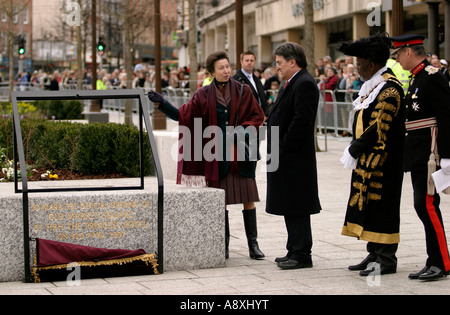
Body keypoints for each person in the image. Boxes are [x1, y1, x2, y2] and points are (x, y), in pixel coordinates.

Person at [148, 51, 266, 260]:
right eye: (221, 68)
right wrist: (163, 104)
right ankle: (224, 245)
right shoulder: (202, 95)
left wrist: (243, 129)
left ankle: (253, 245)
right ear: (211, 72)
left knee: (248, 198)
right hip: (217, 156)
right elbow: (183, 115)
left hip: (241, 153)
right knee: (221, 200)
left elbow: (258, 115)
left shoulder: (243, 90)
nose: (226, 71)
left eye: (228, 66)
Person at [338, 34, 405, 276]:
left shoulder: (389, 89)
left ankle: (386, 258)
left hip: (384, 162)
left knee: (383, 207)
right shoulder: (375, 86)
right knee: (369, 207)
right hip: (369, 159)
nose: (357, 67)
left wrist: (353, 149)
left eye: (359, 63)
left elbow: (378, 127)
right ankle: (374, 252)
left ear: (373, 64)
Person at [389, 34, 450, 280]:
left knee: (427, 206)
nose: (397, 59)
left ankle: (442, 262)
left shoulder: (432, 77)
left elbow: (446, 117)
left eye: (398, 54)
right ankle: (433, 259)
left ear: (408, 51)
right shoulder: (417, 78)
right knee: (422, 206)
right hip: (417, 152)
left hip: (430, 154)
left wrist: (446, 156)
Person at [266, 42, 321, 270]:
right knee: (289, 203)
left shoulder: (305, 83)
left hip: (294, 157)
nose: (277, 68)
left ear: (292, 61)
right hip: (284, 155)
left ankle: (301, 253)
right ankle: (293, 248)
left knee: (297, 204)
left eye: (279, 63)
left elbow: (301, 121)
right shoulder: (292, 82)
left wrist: (285, 147)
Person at [233, 50, 269, 117]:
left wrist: (265, 114)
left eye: (251, 60)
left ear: (255, 62)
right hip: (246, 120)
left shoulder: (256, 79)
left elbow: (262, 98)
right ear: (241, 62)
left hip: (261, 119)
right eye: (247, 60)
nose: (249, 63)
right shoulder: (235, 80)